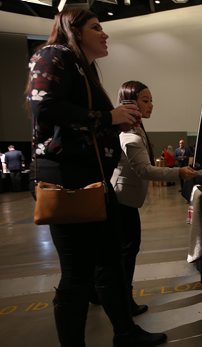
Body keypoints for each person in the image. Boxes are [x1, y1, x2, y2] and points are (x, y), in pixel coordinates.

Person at [25, 8, 166, 346]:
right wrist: (106, 116)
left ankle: (125, 332)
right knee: (77, 275)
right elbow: (41, 106)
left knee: (109, 265)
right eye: (96, 27)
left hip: (94, 181)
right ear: (72, 29)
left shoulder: (82, 67)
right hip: (69, 183)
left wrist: (114, 121)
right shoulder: (53, 55)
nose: (105, 34)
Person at [111, 81, 198, 317]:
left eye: (151, 100)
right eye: (145, 100)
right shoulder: (129, 133)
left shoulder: (136, 128)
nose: (151, 105)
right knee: (127, 251)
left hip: (127, 200)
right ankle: (123, 300)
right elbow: (145, 170)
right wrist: (178, 172)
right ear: (129, 102)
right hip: (122, 202)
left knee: (126, 250)